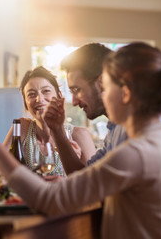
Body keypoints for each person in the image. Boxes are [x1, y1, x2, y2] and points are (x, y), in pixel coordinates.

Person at [0, 42, 161, 238]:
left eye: (106, 87)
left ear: (124, 93)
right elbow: (85, 179)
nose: (75, 101)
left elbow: (51, 200)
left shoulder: (136, 153)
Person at [0, 66, 96, 177]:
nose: (39, 99)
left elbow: (95, 187)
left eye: (46, 91)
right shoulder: (21, 129)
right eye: (31, 94)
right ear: (25, 103)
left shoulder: (79, 136)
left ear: (59, 97)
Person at [45, 43, 128, 175]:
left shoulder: (129, 130)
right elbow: (86, 177)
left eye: (77, 90)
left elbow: (93, 189)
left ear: (102, 82)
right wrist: (57, 130)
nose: (73, 102)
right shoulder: (115, 129)